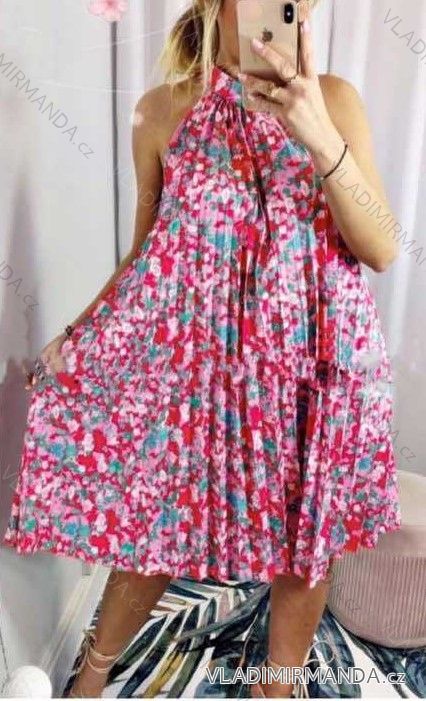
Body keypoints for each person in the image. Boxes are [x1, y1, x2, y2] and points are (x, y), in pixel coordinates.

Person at [3, 0, 402, 697]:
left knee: (305, 549)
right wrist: (77, 334)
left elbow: (380, 248)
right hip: (200, 374)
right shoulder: (158, 113)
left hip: (317, 370)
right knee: (159, 525)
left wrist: (314, 129)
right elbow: (146, 256)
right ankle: (90, 677)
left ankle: (275, 688)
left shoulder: (335, 100)